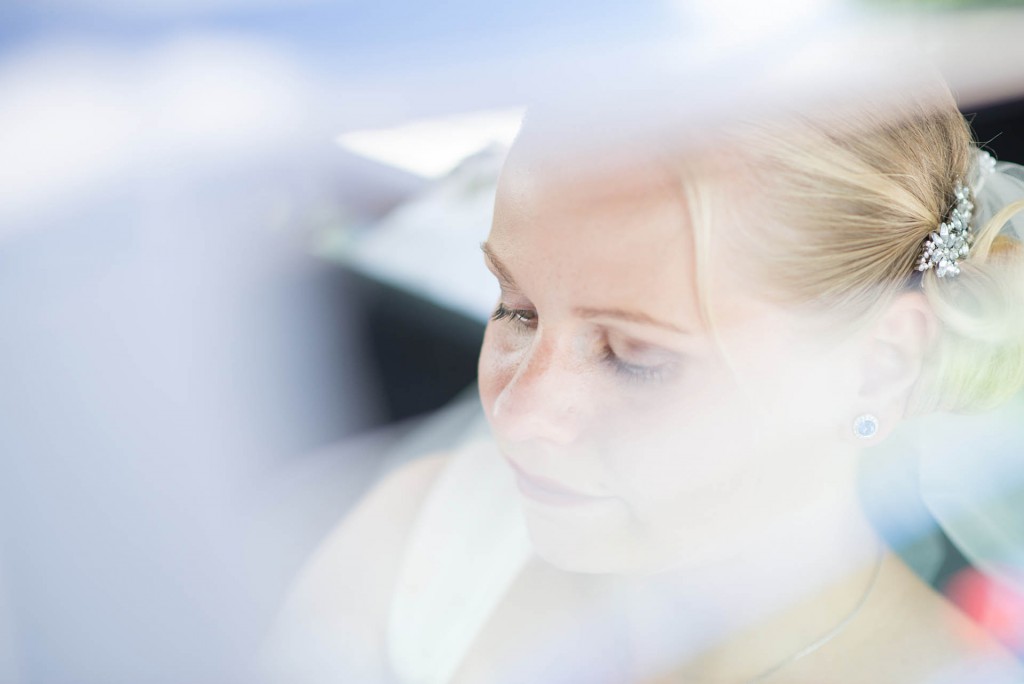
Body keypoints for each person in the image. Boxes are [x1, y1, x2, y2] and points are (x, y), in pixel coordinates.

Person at [265, 88, 1024, 683]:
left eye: (635, 357)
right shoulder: (422, 535)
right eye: (516, 309)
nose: (520, 414)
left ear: (878, 366)